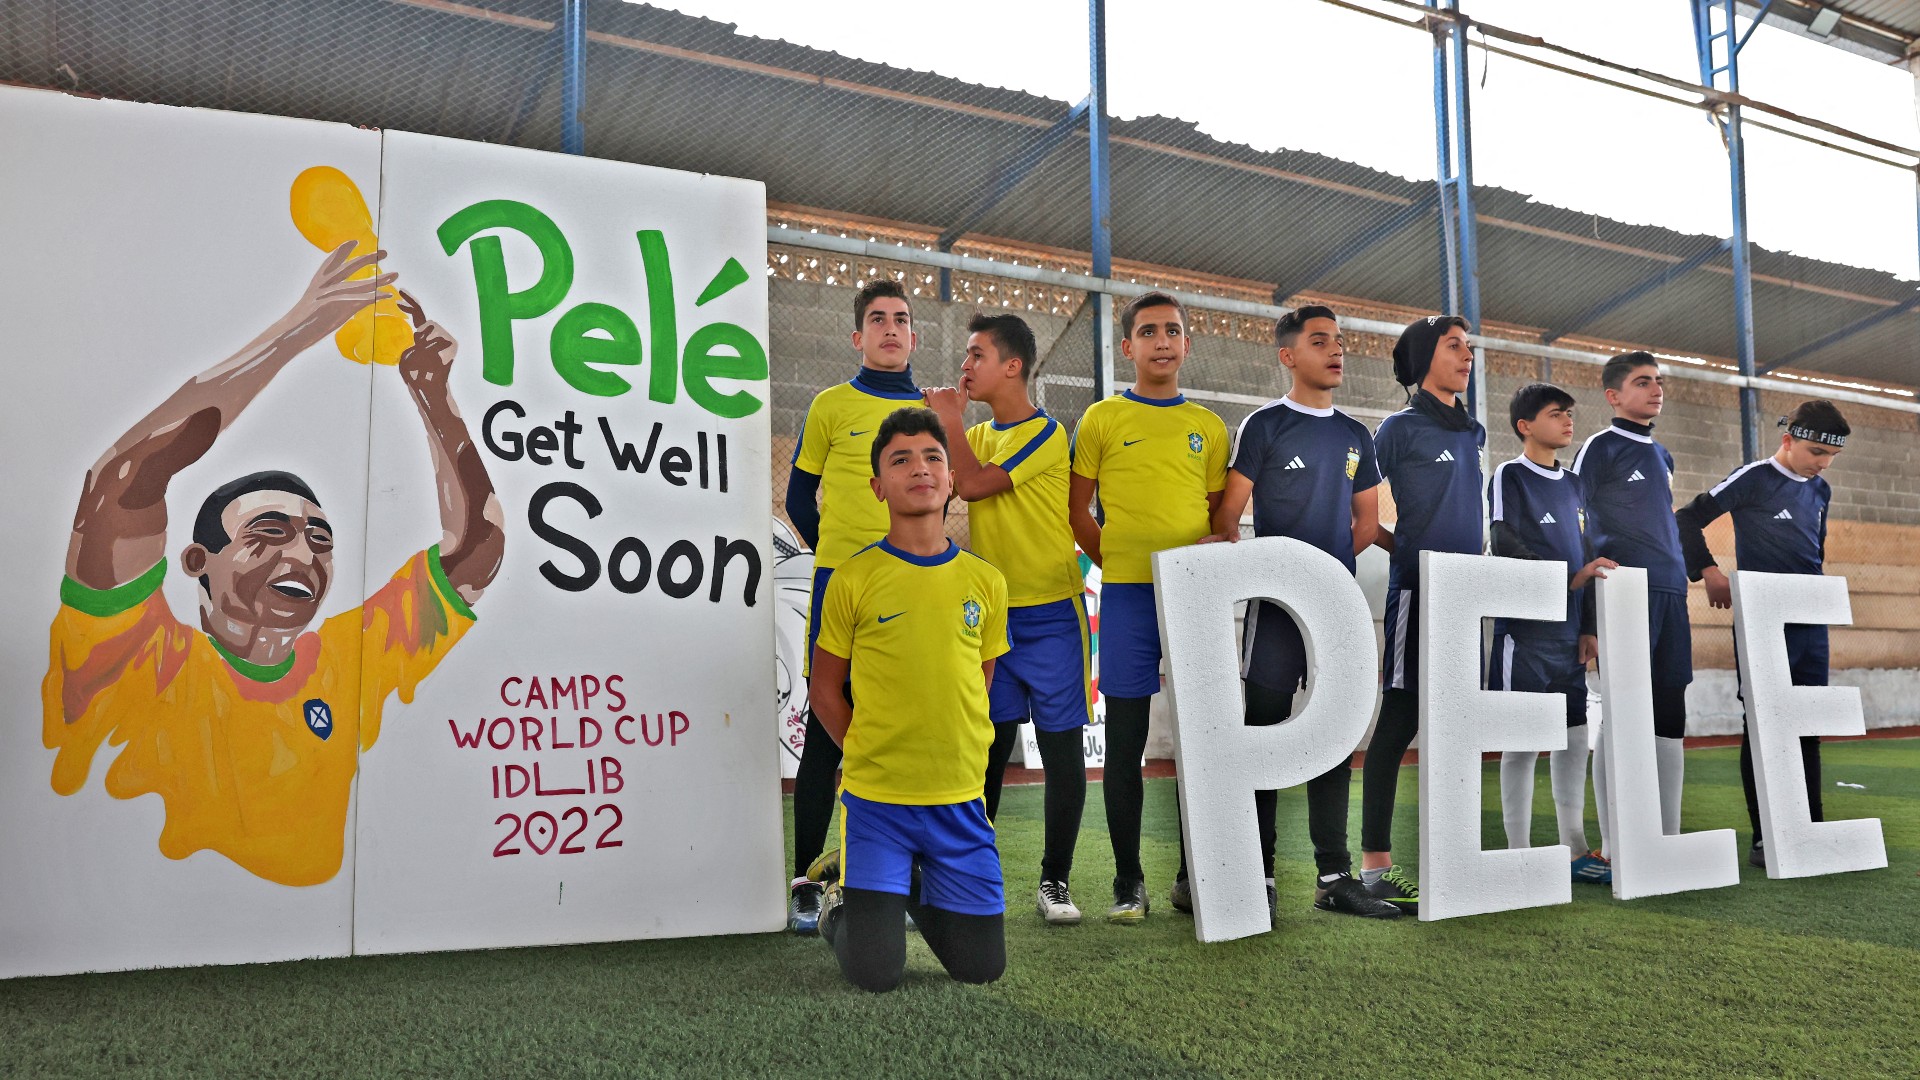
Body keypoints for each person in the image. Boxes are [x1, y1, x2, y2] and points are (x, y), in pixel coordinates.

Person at [43, 245, 504, 888]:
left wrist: (434, 395)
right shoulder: (129, 654)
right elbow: (121, 482)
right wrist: (298, 331)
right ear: (198, 561)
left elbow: (476, 551)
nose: (302, 554)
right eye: (269, 532)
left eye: (320, 538)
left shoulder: (346, 665)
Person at [1176, 305, 1403, 920]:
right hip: (1275, 610)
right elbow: (1229, 514)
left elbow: (1363, 525)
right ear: (1288, 356)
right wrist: (1258, 565)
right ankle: (1258, 871)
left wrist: (1325, 572)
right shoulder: (1266, 425)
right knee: (1263, 729)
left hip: (1336, 606)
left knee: (1334, 735)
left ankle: (1335, 877)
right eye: (1320, 341)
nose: (1336, 352)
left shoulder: (1357, 435)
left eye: (1340, 342)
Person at [809, 407, 1010, 992]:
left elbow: (979, 680)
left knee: (981, 968)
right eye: (900, 459)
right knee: (875, 973)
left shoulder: (986, 582)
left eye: (932, 457)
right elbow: (824, 689)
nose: (919, 468)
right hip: (877, 806)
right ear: (878, 486)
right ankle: (842, 901)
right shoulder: (853, 579)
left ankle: (909, 884)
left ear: (951, 480)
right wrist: (868, 751)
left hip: (960, 803)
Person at [924, 313, 1090, 926]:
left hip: (1051, 613)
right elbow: (943, 482)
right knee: (985, 751)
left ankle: (1056, 880)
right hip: (990, 621)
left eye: (976, 355)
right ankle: (972, 876)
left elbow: (969, 485)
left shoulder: (1046, 432)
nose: (964, 367)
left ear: (1012, 366)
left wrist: (948, 419)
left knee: (1061, 747)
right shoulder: (982, 434)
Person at [1068, 291, 1228, 922]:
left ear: (1187, 345)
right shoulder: (1102, 419)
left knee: (1203, 740)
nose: (1162, 341)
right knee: (1128, 742)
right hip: (1130, 597)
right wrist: (1121, 562)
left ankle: (1198, 875)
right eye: (1148, 331)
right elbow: (1079, 511)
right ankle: (1128, 880)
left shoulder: (1210, 427)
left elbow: (1220, 518)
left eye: (1173, 331)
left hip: (1195, 599)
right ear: (1128, 347)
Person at [782, 280, 923, 933]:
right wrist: (842, 558)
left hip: (915, 592)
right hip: (838, 587)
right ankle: (806, 884)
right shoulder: (829, 406)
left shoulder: (930, 410)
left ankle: (901, 885)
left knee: (910, 737)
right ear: (857, 336)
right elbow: (799, 498)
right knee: (824, 734)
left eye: (900, 319)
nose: (890, 329)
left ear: (914, 336)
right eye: (877, 319)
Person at [1674, 400, 1848, 869]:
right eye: (1816, 452)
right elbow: (1685, 518)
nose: (1823, 464)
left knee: (1807, 724)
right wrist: (1708, 570)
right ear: (1787, 439)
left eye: (1831, 457)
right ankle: (1763, 836)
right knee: (1763, 724)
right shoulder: (1753, 477)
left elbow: (1816, 555)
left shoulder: (1821, 490)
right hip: (1763, 618)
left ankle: (1809, 825)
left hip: (1810, 620)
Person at [1359, 314, 1486, 911]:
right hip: (1416, 593)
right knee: (1399, 721)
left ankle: (1457, 857)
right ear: (1421, 360)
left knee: (1459, 725)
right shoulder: (1398, 429)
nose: (1466, 355)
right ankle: (1374, 866)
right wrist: (1398, 545)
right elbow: (1353, 502)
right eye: (1453, 346)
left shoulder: (1473, 432)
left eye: (1468, 347)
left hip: (1470, 598)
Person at [1488, 384, 1617, 883]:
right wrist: (1567, 581)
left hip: (1568, 637)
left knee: (1572, 739)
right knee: (1521, 743)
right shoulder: (1509, 475)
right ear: (1525, 425)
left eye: (1569, 413)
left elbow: (1587, 556)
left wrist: (1587, 627)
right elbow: (1502, 542)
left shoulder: (1575, 484)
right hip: (1524, 635)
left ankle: (1574, 849)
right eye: (1555, 414)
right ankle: (1519, 854)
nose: (1567, 421)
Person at [1571, 352, 1694, 837]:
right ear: (1614, 396)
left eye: (1658, 382)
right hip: (1622, 594)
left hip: (1670, 592)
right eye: (1643, 382)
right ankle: (1612, 843)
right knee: (1623, 713)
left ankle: (1668, 836)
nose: (1655, 389)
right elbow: (1574, 522)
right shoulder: (1600, 448)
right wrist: (1585, 619)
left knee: (1670, 709)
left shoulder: (1662, 455)